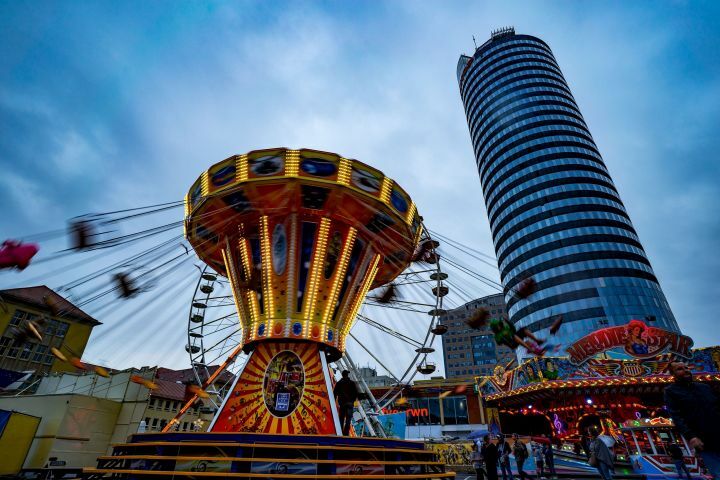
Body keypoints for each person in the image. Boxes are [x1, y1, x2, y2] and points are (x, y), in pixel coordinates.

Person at [664, 361, 720, 477]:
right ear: (673, 374)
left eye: (686, 367)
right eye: (680, 369)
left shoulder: (704, 387)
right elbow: (676, 416)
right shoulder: (671, 391)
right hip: (704, 441)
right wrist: (691, 436)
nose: (685, 370)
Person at [333, 370, 358, 436]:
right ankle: (346, 433)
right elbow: (355, 393)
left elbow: (335, 394)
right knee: (348, 419)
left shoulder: (339, 383)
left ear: (342, 375)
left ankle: (340, 433)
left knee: (341, 419)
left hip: (342, 404)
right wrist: (352, 401)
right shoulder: (352, 383)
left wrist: (334, 403)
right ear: (347, 375)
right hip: (349, 404)